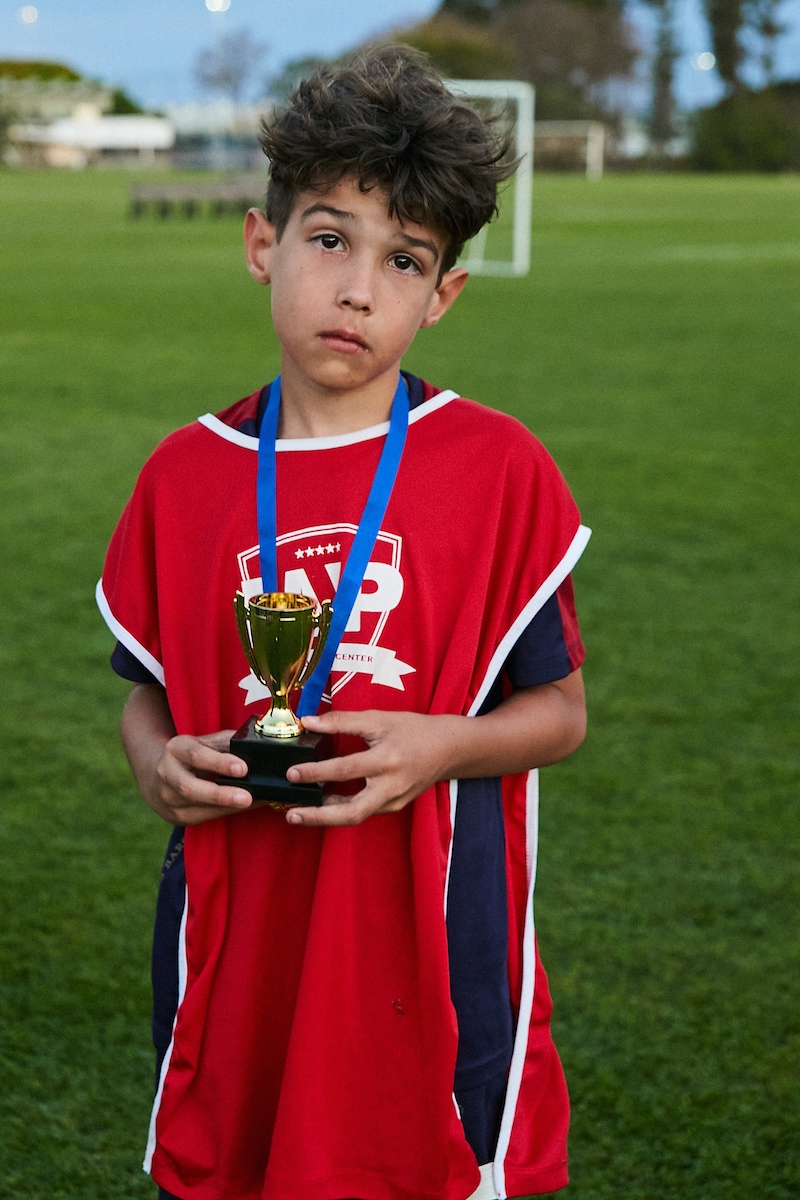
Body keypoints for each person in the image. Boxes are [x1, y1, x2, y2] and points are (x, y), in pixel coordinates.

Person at [97, 46, 590, 1200]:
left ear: (443, 294)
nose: (358, 288)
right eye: (329, 240)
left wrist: (443, 746)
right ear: (263, 245)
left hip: (426, 960)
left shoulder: (497, 468)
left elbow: (559, 713)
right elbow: (147, 691)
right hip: (241, 946)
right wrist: (154, 762)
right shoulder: (185, 476)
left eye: (402, 260)